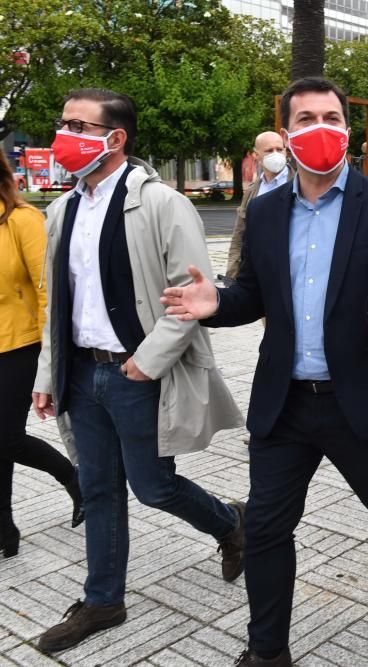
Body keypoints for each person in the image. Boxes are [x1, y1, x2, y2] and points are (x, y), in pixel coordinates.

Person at [160, 77, 368, 666]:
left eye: (330, 117)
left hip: (362, 397)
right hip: (286, 402)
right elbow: (253, 293)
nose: (318, 128)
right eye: (305, 119)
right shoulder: (268, 211)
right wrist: (216, 304)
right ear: (286, 133)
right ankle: (267, 651)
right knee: (269, 526)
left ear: (346, 130)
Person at [31, 88, 245, 654]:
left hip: (135, 374)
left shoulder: (162, 204)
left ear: (114, 138)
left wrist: (145, 364)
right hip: (82, 373)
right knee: (98, 489)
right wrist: (49, 377)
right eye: (64, 122)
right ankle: (103, 600)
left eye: (78, 125)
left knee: (153, 487)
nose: (64, 134)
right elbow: (57, 305)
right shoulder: (61, 209)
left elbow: (188, 298)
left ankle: (231, 525)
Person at [0, 157, 83, 559]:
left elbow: (48, 289)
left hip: (19, 343)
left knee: (7, 437)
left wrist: (51, 358)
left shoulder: (21, 219)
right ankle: (4, 529)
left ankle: (73, 478)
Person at [226, 131, 291, 280]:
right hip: (257, 272)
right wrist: (231, 276)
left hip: (289, 273)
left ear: (285, 151)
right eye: (269, 150)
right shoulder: (251, 191)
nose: (276, 154)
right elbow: (239, 235)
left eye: (279, 149)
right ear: (256, 155)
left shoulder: (299, 183)